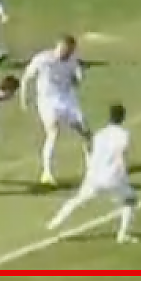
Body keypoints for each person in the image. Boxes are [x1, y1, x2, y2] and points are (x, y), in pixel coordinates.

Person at [46, 103, 137, 244]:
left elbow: (91, 149)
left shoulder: (100, 134)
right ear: (123, 117)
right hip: (113, 177)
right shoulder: (124, 135)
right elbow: (123, 154)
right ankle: (122, 235)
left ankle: (55, 222)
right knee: (130, 200)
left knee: (77, 200)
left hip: (94, 176)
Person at [20, 35, 90, 186]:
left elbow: (77, 79)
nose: (67, 53)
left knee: (86, 131)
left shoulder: (72, 61)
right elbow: (26, 77)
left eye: (70, 51)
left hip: (67, 98)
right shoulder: (43, 59)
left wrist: (79, 77)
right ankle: (47, 172)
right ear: (58, 47)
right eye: (65, 50)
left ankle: (92, 168)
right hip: (47, 101)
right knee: (53, 131)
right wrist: (23, 98)